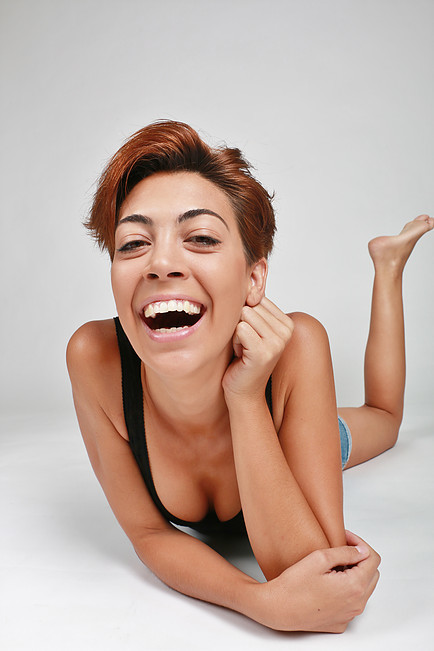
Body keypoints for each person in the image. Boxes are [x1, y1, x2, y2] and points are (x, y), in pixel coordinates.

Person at [66, 120, 432, 633]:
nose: (161, 263)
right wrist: (255, 602)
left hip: (296, 428)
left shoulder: (298, 346)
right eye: (133, 243)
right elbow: (150, 534)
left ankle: (388, 265)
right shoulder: (94, 358)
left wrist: (245, 396)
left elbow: (313, 569)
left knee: (386, 420)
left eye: (199, 237)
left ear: (254, 279)